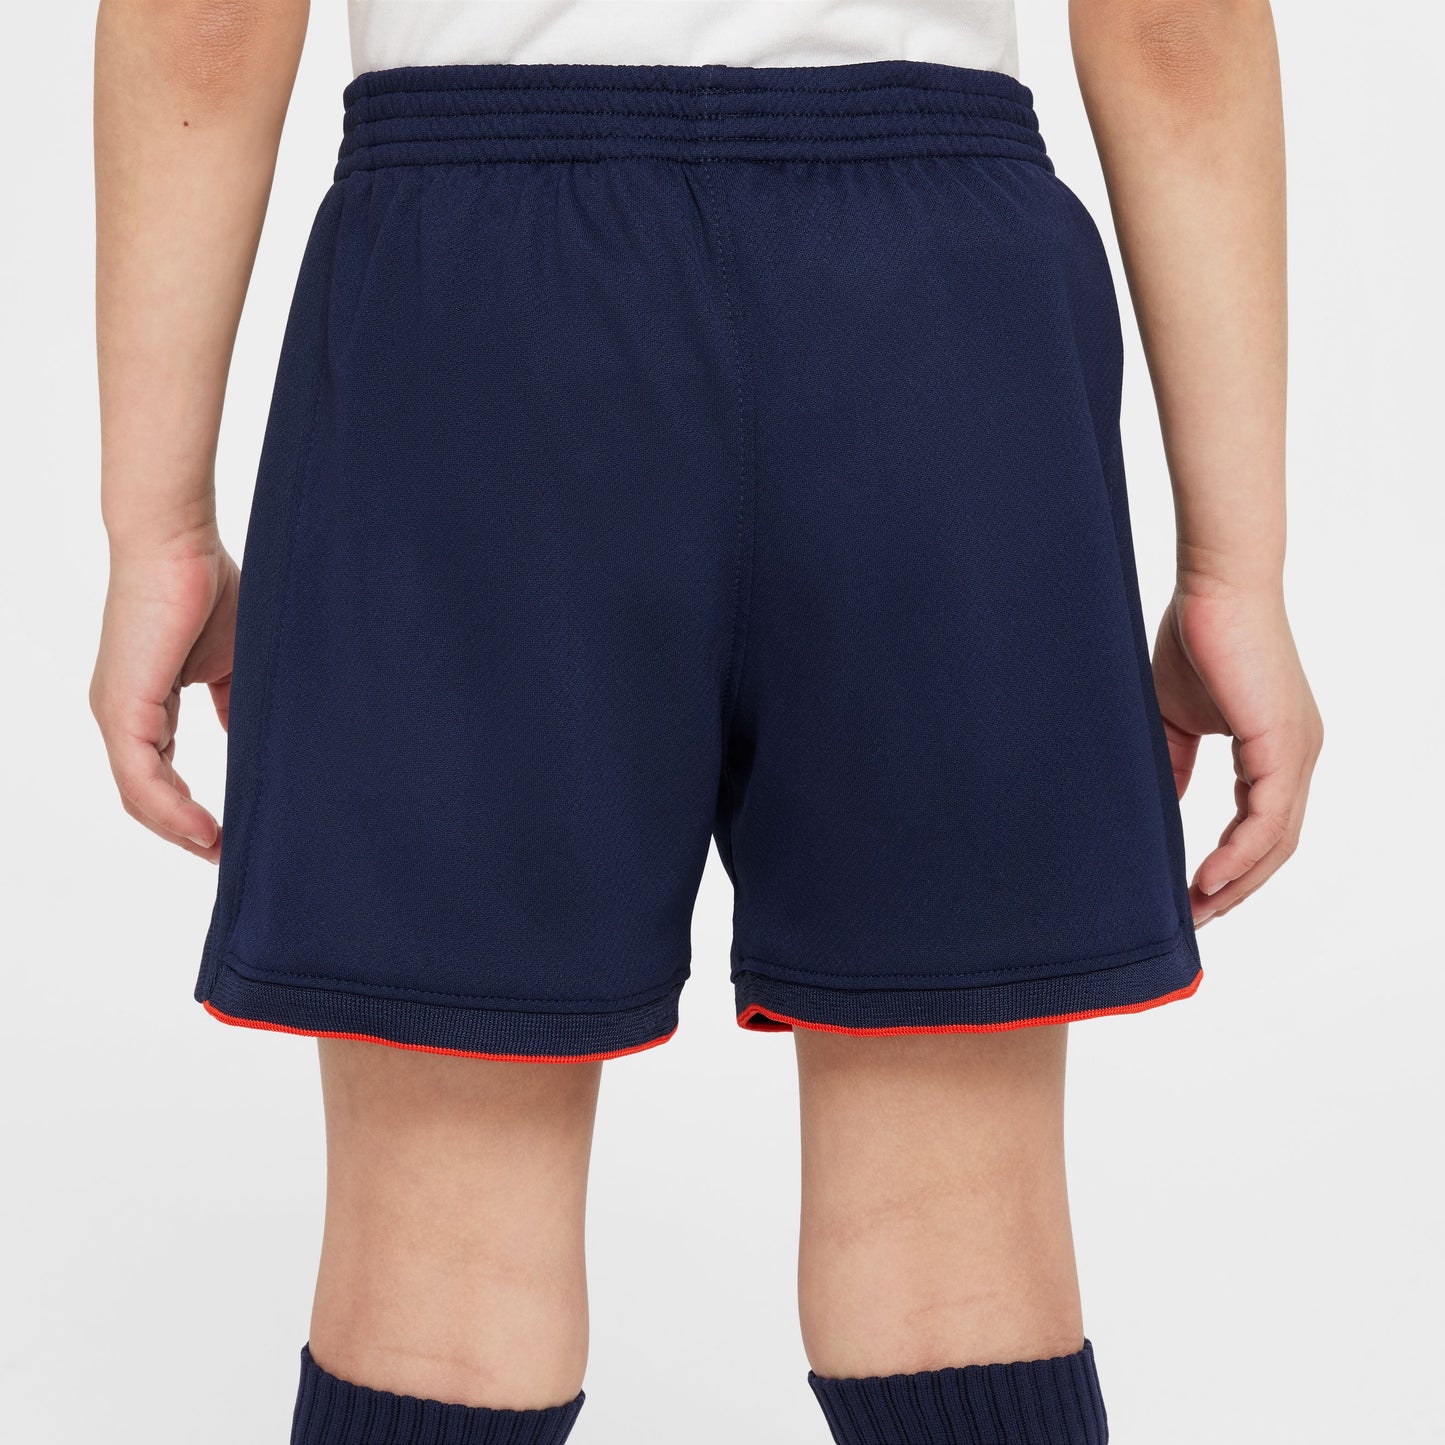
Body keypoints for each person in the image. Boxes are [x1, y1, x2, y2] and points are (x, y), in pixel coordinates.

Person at [90, 1, 1322, 1440]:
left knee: (442, 1271)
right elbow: (1173, 25)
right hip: (932, 313)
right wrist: (1232, 572)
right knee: (957, 1255)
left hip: (477, 319)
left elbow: (208, 19)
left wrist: (159, 533)